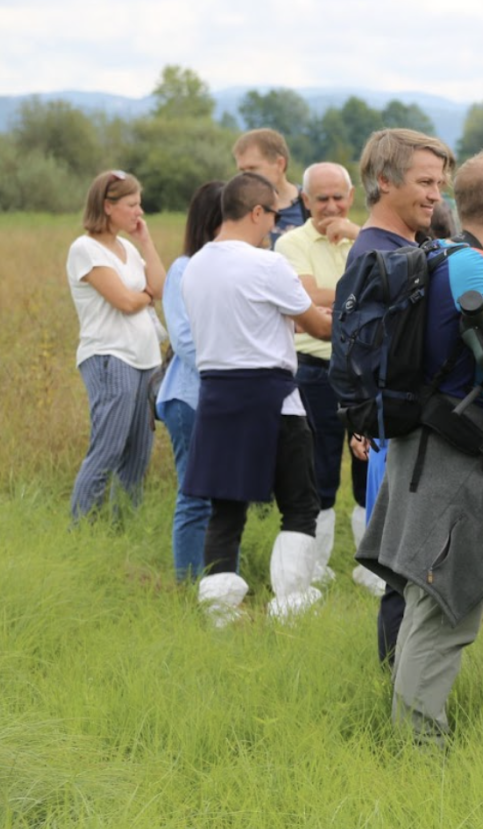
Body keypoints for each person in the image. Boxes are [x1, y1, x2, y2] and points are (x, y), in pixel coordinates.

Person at [355, 148, 483, 742]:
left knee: (427, 599)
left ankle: (409, 734)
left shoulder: (439, 255)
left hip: (422, 445)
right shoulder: (474, 267)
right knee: (447, 607)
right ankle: (422, 746)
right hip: (450, 453)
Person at [183, 173, 332, 624]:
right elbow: (320, 328)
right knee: (300, 506)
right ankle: (289, 608)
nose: (275, 225)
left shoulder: (195, 266)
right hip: (273, 401)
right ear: (255, 212)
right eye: (273, 215)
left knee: (225, 512)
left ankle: (219, 617)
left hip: (217, 398)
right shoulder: (267, 265)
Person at [347, 127, 462, 654]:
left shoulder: (409, 250)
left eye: (440, 182)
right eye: (424, 181)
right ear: (384, 180)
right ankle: (399, 699)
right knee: (407, 575)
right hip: (409, 443)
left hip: (414, 437)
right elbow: (385, 368)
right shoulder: (381, 259)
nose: (436, 195)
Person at [275, 161, 363, 586]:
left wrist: (358, 238)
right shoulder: (290, 243)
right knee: (320, 470)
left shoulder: (366, 239)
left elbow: (394, 281)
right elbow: (304, 297)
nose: (331, 206)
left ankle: (372, 566)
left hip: (367, 369)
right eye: (321, 198)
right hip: (314, 370)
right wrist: (361, 290)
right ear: (304, 200)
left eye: (338, 197)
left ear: (351, 196)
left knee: (373, 469)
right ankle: (314, 567)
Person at [67, 169, 166, 524]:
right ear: (107, 207)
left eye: (139, 205)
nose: (139, 212)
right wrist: (144, 296)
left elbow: (160, 287)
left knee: (138, 455)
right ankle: (82, 530)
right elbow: (124, 301)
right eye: (132, 205)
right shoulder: (85, 249)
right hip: (110, 358)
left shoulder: (126, 247)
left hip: (145, 360)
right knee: (108, 448)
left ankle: (124, 529)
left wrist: (146, 243)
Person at [155, 181, 226, 580]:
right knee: (195, 496)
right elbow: (183, 339)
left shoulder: (232, 266)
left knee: (221, 497)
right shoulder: (184, 268)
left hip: (221, 398)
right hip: (191, 398)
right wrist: (231, 370)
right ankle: (188, 585)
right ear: (217, 219)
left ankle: (214, 580)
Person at [234, 128, 308, 247]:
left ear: (280, 164)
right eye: (242, 170)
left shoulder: (310, 206)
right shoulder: (236, 209)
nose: (246, 177)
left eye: (253, 169)